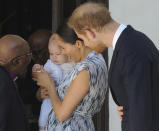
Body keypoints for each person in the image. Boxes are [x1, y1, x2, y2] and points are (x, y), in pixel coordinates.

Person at [68, 2, 159, 131]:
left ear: (90, 33)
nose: (85, 45)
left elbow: (141, 110)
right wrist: (128, 107)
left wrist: (132, 110)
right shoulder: (133, 41)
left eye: (82, 39)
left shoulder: (131, 50)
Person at [32, 22, 108, 131]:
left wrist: (49, 85)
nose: (63, 53)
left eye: (63, 48)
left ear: (78, 44)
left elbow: (62, 115)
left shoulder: (86, 69)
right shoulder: (96, 59)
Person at [33, 34, 75, 130]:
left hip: (67, 103)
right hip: (50, 98)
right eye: (51, 54)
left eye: (58, 54)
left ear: (67, 52)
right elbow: (41, 73)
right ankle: (42, 126)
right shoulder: (50, 64)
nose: (54, 57)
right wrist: (37, 70)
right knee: (45, 111)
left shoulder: (73, 65)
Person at [16, 29, 52, 122]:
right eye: (32, 53)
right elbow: (20, 93)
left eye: (39, 52)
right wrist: (36, 95)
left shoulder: (63, 65)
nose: (34, 57)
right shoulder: (30, 66)